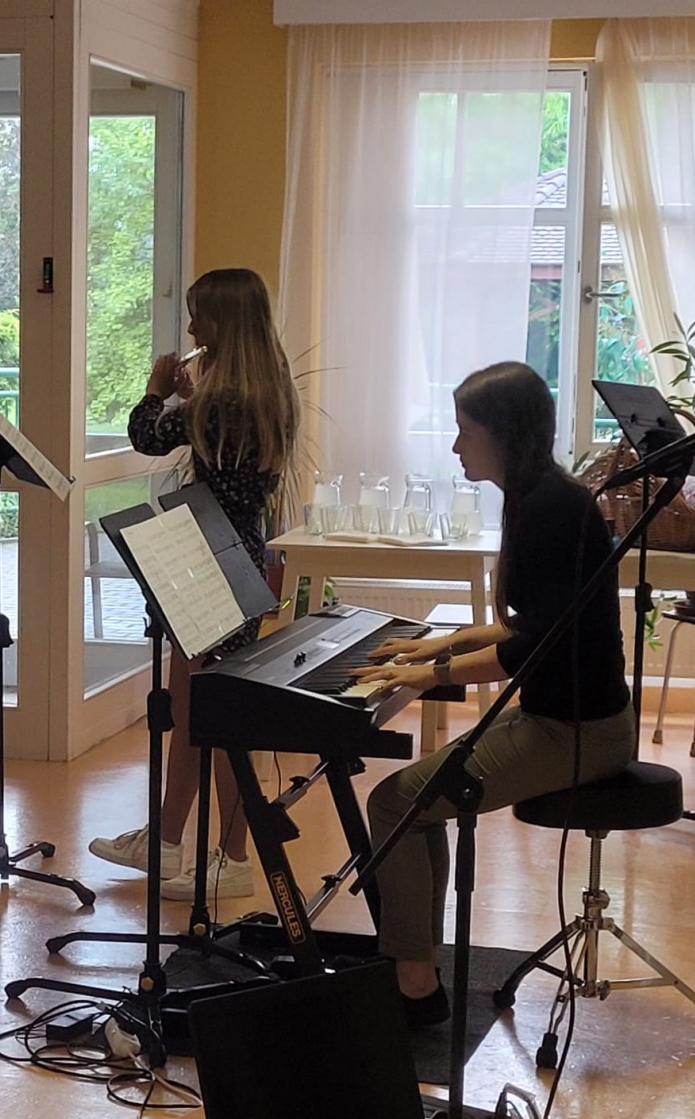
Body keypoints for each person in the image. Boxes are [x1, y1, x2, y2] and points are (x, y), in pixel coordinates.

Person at [350, 361, 635, 1028]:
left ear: (505, 435)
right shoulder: (542, 497)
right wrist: (432, 648)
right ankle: (417, 966)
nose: (456, 446)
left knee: (395, 802)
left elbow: (529, 648)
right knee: (411, 805)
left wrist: (431, 677)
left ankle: (414, 984)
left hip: (578, 734)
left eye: (466, 432)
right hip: (566, 719)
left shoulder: (549, 510)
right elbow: (529, 622)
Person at [89, 267, 302, 901]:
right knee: (191, 708)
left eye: (199, 317)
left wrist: (157, 391)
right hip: (237, 553)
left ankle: (234, 858)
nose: (190, 329)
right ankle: (165, 839)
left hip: (211, 559)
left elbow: (146, 436)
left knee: (217, 716)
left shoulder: (226, 399)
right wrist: (190, 397)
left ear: (224, 323)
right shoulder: (269, 388)